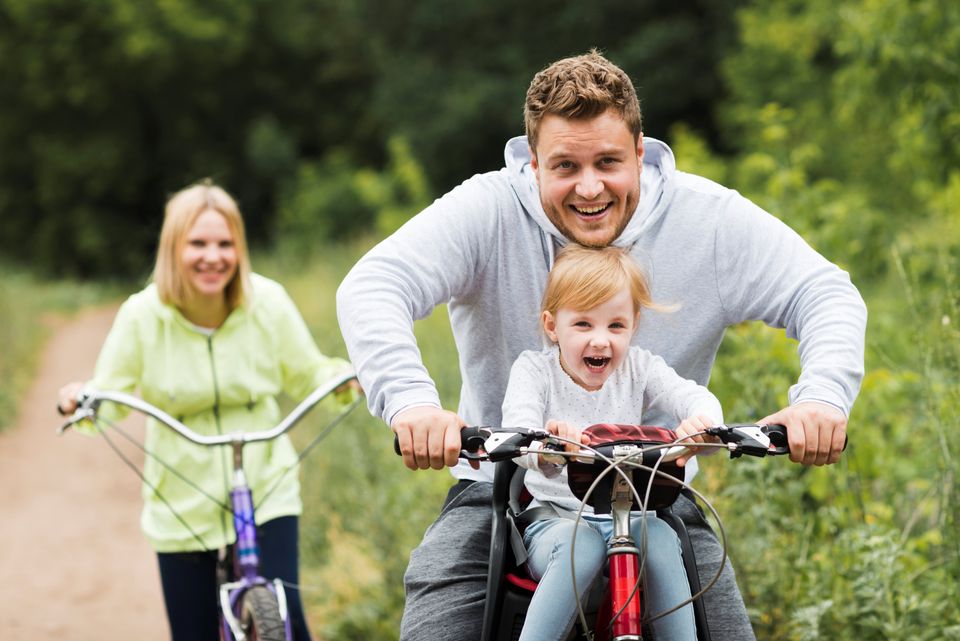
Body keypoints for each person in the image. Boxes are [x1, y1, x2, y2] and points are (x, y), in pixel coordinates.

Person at [336, 50, 866, 641]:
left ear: (640, 153)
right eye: (565, 166)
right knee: (439, 618)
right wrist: (412, 403)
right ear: (534, 163)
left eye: (609, 162)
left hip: (654, 492)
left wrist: (821, 398)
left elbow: (825, 292)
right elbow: (374, 284)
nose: (590, 188)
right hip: (507, 485)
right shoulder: (486, 210)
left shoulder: (709, 221)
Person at [57, 180, 358, 641]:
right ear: (173, 249)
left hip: (266, 483)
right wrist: (84, 399)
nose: (212, 256)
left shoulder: (268, 302)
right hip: (180, 494)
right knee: (192, 631)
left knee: (288, 619)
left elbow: (307, 373)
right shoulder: (141, 316)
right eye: (197, 243)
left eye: (225, 243)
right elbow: (108, 395)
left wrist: (347, 379)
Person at [505, 244, 721, 641]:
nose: (601, 341)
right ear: (553, 326)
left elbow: (691, 395)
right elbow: (519, 432)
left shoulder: (641, 367)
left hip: (631, 513)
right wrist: (548, 447)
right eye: (583, 324)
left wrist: (703, 423)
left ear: (634, 324)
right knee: (581, 548)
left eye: (615, 326)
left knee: (661, 539)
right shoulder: (534, 371)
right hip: (556, 517)